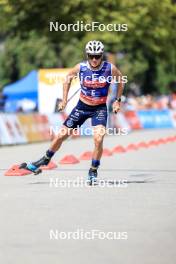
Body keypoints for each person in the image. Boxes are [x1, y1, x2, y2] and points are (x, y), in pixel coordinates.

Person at [20, 40, 124, 184]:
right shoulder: (81, 67)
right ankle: (45, 160)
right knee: (60, 136)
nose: (94, 59)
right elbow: (67, 79)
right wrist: (64, 99)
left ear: (102, 56)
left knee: (99, 139)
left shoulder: (109, 68)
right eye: (91, 56)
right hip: (82, 107)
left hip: (99, 108)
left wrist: (117, 100)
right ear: (87, 55)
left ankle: (93, 170)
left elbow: (121, 80)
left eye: (97, 56)